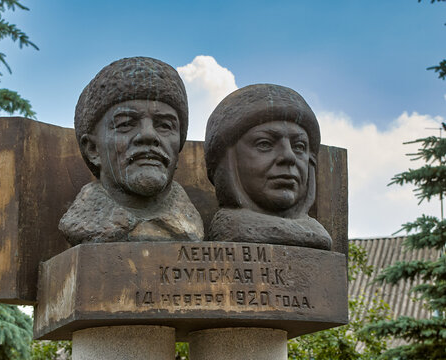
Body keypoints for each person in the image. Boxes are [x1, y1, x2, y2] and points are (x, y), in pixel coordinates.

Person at [59, 57, 204, 245]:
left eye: (165, 125)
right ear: (93, 149)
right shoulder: (82, 224)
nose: (148, 135)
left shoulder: (191, 228)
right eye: (126, 124)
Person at [204, 84, 331, 250]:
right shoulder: (229, 231)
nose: (289, 156)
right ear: (227, 159)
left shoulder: (318, 235)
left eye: (299, 146)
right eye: (265, 144)